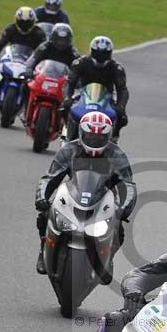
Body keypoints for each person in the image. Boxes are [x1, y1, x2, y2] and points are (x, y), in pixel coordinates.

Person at [34, 111, 136, 275]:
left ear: (108, 136)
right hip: (73, 194)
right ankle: (43, 249)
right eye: (90, 137)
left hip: (103, 199)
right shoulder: (69, 149)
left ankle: (108, 259)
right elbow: (50, 177)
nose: (94, 141)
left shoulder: (117, 155)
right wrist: (42, 198)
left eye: (100, 138)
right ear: (81, 133)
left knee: (119, 228)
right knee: (46, 214)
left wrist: (124, 208)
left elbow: (128, 185)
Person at [63, 36, 129, 139]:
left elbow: (122, 89)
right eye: (98, 53)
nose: (100, 57)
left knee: (122, 116)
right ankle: (67, 132)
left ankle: (113, 137)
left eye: (104, 54)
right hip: (83, 95)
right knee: (65, 107)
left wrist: (121, 106)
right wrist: (67, 97)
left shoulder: (116, 68)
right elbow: (70, 83)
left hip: (106, 98)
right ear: (92, 51)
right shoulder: (81, 62)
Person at [0, 7, 45, 78]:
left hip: (30, 61)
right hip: (11, 57)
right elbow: (0, 43)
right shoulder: (11, 29)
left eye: (27, 22)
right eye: (22, 22)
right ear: (17, 20)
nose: (25, 25)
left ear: (33, 21)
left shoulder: (39, 33)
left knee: (39, 76)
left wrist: (41, 63)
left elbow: (44, 49)